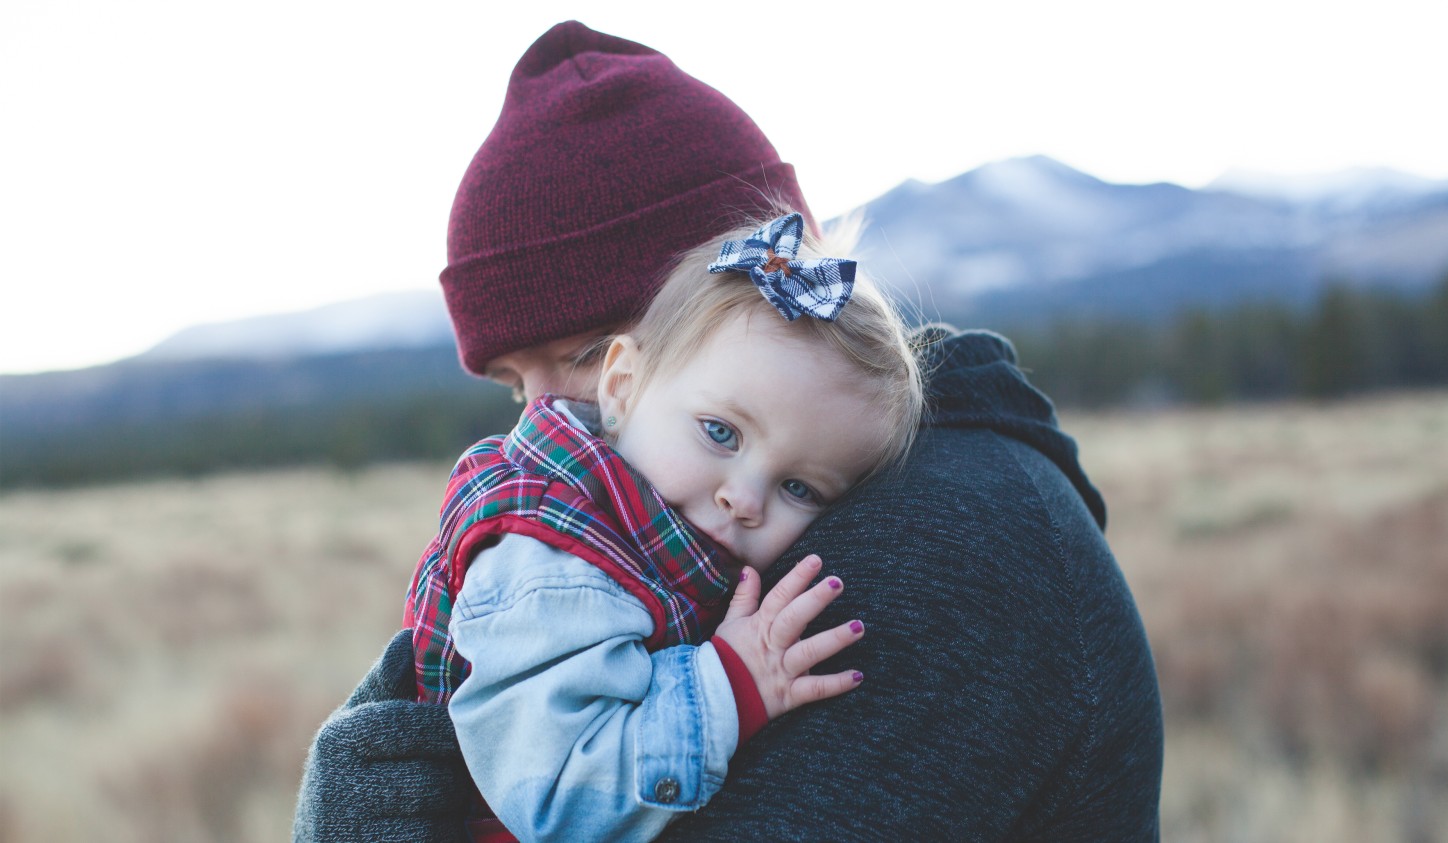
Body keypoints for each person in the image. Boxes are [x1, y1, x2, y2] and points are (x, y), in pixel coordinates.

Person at [294, 19, 1163, 843]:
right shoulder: (689, 524)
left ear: (752, 298)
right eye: (515, 384)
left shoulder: (938, 551)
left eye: (590, 353)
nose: (547, 418)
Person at [405, 211, 923, 842]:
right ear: (621, 387)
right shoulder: (553, 562)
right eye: (720, 432)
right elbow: (562, 802)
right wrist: (730, 683)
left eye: (799, 487)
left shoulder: (654, 531)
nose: (744, 499)